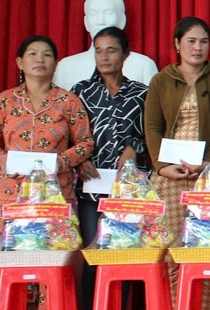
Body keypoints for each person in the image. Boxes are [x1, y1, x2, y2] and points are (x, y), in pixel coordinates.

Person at [144, 16, 210, 309]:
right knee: (170, 251)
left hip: (209, 177)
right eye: (191, 41)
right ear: (177, 44)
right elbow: (151, 127)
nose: (197, 47)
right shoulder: (161, 80)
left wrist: (209, 161)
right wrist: (161, 166)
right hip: (169, 177)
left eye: (203, 41)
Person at [0, 34, 95, 237]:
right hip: (13, 192)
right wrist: (3, 161)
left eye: (47, 55)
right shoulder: (5, 100)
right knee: (15, 254)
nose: (40, 59)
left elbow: (85, 143)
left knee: (56, 255)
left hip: (56, 192)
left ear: (56, 64)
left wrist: (60, 162)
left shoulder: (68, 101)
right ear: (20, 62)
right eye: (32, 54)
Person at [70, 27, 149, 310]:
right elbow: (69, 136)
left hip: (129, 190)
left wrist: (134, 148)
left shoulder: (142, 93)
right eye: (99, 50)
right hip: (92, 188)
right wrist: (79, 159)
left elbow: (152, 138)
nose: (103, 56)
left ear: (125, 54)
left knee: (125, 256)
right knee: (93, 256)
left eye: (111, 50)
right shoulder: (80, 91)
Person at [54, 0, 158, 90]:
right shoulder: (66, 67)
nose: (100, 21)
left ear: (122, 20)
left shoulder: (143, 65)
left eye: (108, 13)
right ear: (86, 22)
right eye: (94, 14)